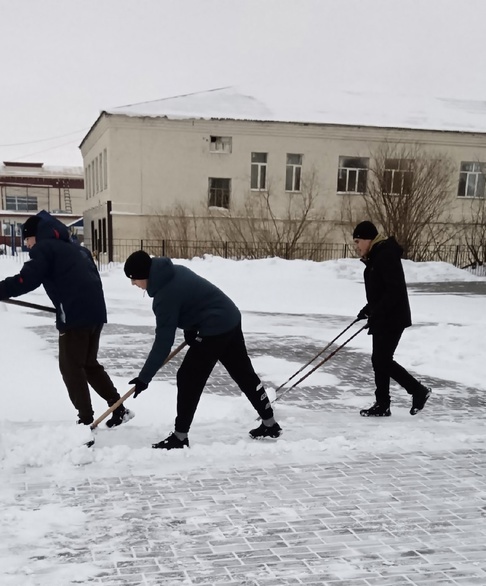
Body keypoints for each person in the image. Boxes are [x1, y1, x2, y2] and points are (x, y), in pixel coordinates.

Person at [124, 250, 282, 450]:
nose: (133, 284)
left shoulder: (165, 295)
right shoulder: (174, 272)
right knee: (243, 374)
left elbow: (163, 342)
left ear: (144, 275)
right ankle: (270, 424)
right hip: (229, 317)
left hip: (215, 328)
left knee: (188, 377)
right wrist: (191, 329)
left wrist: (144, 378)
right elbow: (195, 300)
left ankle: (180, 437)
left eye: (134, 279)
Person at [0, 211, 133, 428]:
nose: (26, 244)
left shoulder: (45, 248)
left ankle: (85, 420)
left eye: (27, 239)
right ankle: (118, 407)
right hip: (95, 313)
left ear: (36, 235)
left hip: (75, 316)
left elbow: (26, 280)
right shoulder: (78, 249)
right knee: (88, 364)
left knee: (71, 367)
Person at [353, 220, 431, 417]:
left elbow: (394, 290)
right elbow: (381, 291)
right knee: (380, 360)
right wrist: (368, 309)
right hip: (385, 316)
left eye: (357, 241)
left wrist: (376, 310)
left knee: (382, 360)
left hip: (392, 318)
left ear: (368, 239)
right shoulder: (377, 255)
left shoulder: (384, 255)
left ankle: (417, 391)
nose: (356, 246)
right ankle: (383, 404)